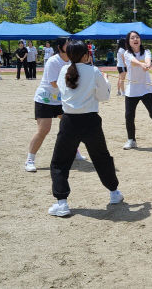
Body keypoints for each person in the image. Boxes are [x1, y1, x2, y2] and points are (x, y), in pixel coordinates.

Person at [48, 40, 123, 217]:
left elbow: (62, 90)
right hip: (90, 121)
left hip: (69, 122)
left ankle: (62, 202)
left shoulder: (64, 70)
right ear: (85, 55)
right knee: (102, 158)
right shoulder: (93, 71)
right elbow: (103, 96)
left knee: (60, 161)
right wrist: (105, 81)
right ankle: (114, 193)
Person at [25, 38, 86, 172]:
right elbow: (53, 83)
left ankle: (75, 151)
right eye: (67, 44)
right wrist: (73, 86)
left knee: (72, 126)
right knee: (44, 130)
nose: (70, 45)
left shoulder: (71, 60)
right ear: (60, 47)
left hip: (60, 100)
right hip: (45, 100)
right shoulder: (53, 61)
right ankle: (30, 160)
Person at [122, 31, 152, 150]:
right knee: (129, 116)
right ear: (129, 41)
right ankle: (131, 140)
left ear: (140, 40)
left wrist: (147, 64)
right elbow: (133, 60)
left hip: (146, 89)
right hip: (132, 90)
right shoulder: (127, 53)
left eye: (137, 37)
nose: (135, 39)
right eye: (132, 38)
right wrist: (141, 64)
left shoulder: (146, 52)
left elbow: (148, 60)